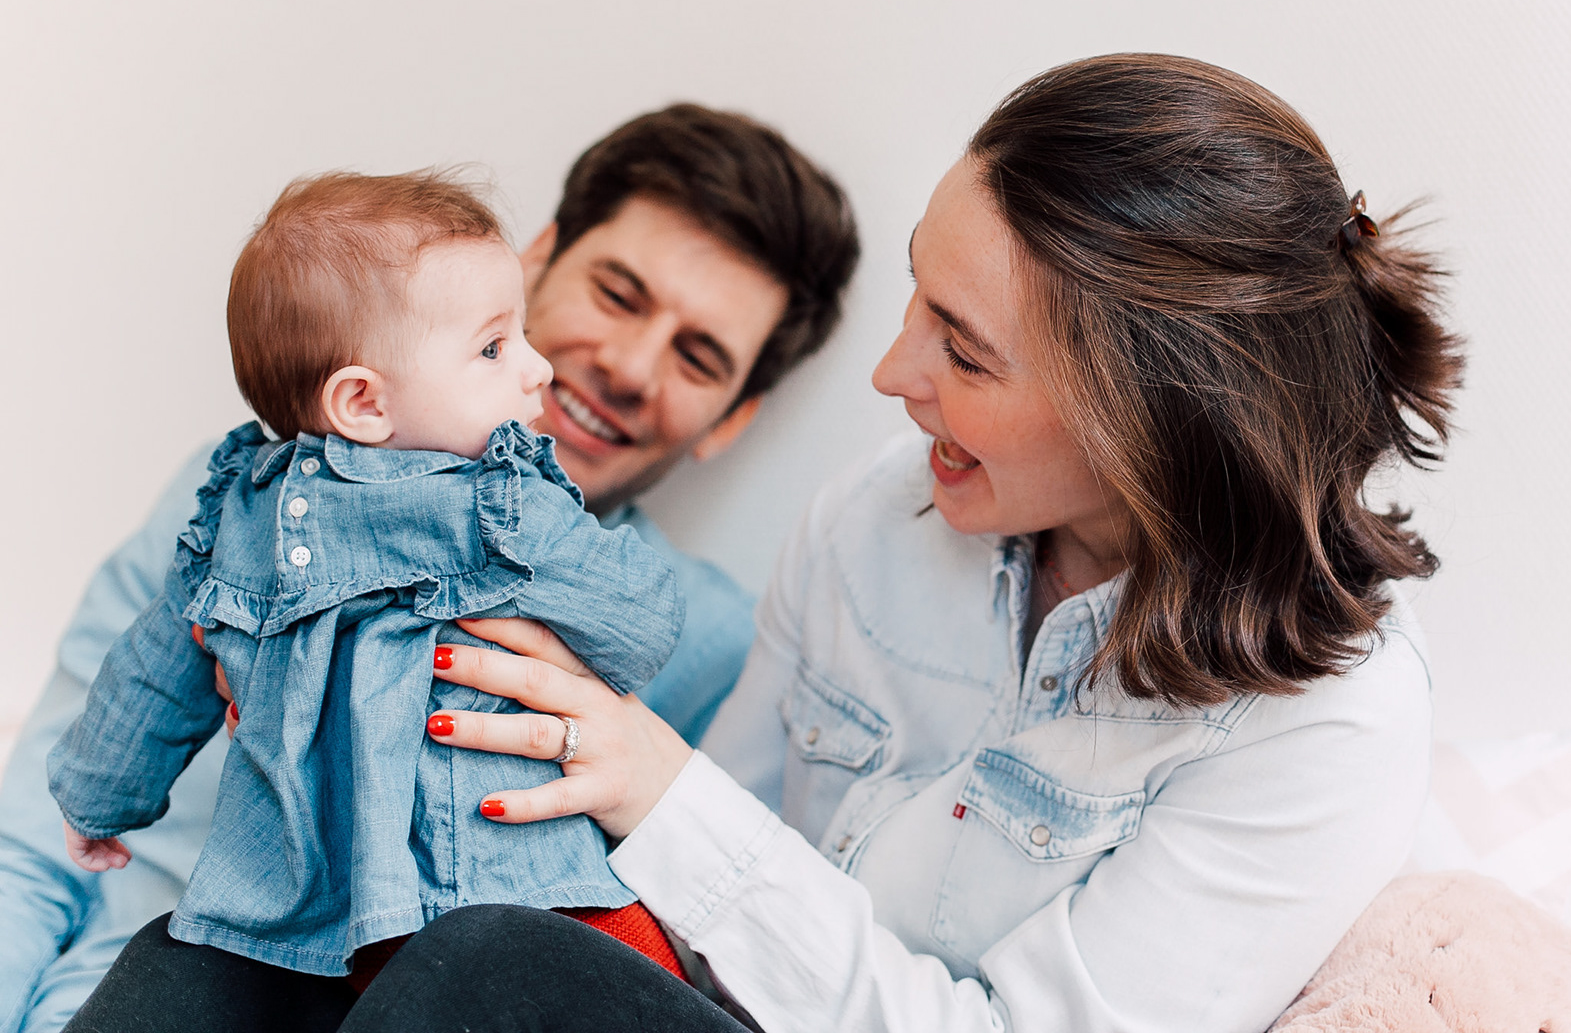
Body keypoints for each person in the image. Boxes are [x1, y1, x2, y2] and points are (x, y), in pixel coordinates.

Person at [73, 52, 1464, 1033]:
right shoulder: (877, 518)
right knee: (203, 962)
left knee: (489, 972)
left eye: (961, 352)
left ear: (1149, 423)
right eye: (918, 303)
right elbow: (678, 923)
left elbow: (695, 833)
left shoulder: (1319, 734)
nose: (892, 376)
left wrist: (654, 790)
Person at [0, 105, 861, 1032]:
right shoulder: (240, 501)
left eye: (698, 357)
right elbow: (49, 817)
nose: (626, 366)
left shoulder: (721, 643)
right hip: (197, 956)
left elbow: (691, 934)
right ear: (537, 259)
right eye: (618, 293)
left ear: (730, 417)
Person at [52, 172, 685, 976]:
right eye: (493, 348)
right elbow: (641, 625)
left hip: (300, 899)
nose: (538, 370)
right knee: (647, 969)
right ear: (363, 401)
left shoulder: (235, 515)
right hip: (497, 878)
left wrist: (97, 798)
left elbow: (152, 675)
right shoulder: (496, 506)